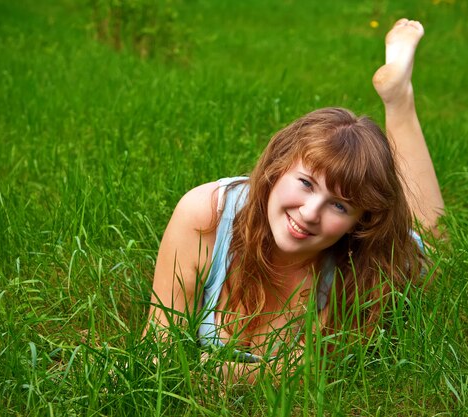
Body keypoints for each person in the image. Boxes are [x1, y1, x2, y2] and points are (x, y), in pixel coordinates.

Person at [145, 19, 444, 380]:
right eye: (305, 182)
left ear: (359, 222)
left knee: (433, 242)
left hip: (378, 251)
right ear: (277, 167)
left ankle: (399, 101)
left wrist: (211, 371)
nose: (309, 213)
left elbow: (309, 374)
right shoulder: (205, 215)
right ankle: (398, 99)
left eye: (340, 205)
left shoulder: (362, 265)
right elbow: (158, 350)